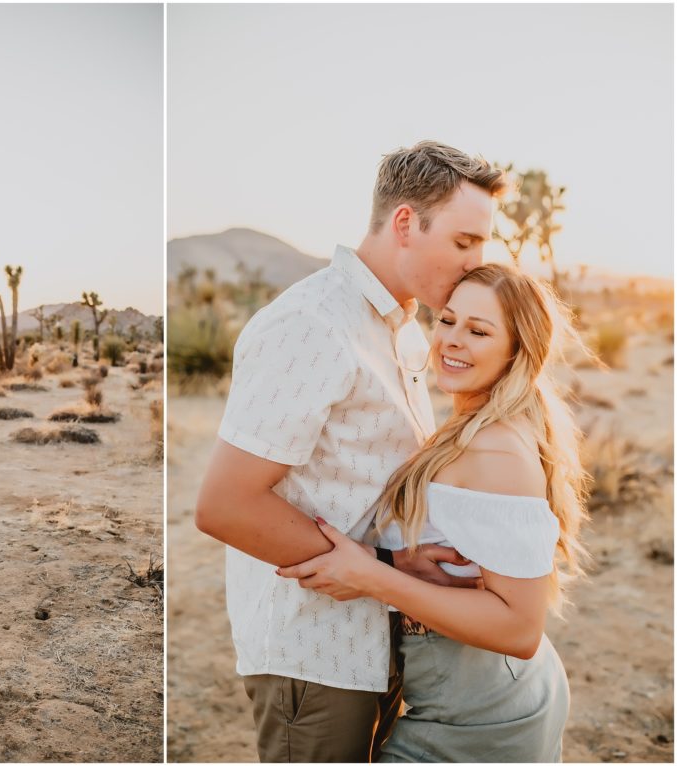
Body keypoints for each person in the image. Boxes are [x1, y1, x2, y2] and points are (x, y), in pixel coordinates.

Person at [195, 141, 506, 762]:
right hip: (313, 652)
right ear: (404, 224)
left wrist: (396, 564)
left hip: (379, 633)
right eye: (465, 242)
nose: (478, 263)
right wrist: (384, 570)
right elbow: (226, 506)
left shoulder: (407, 334)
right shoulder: (311, 324)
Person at [277, 263, 589, 762]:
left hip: (483, 709)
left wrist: (370, 576)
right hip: (477, 689)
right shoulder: (470, 426)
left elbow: (521, 630)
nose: (452, 340)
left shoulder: (496, 450)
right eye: (447, 321)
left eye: (479, 330)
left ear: (518, 351)